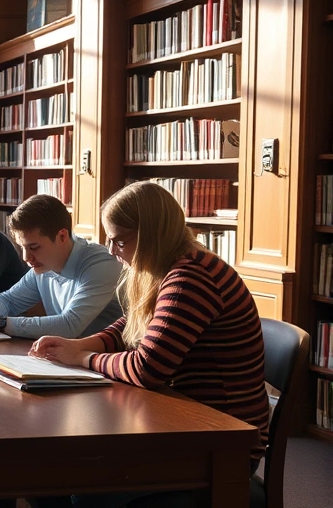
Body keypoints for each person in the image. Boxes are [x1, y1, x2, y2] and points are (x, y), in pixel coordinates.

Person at [29, 181, 269, 507]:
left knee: (87, 487)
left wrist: (82, 357)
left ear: (151, 234)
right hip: (180, 417)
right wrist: (88, 342)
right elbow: (132, 323)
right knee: (50, 473)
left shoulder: (191, 277)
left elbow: (147, 369)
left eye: (120, 241)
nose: (112, 251)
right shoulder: (168, 267)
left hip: (219, 439)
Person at [0, 194, 122, 339]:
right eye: (22, 248)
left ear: (62, 236)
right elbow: (8, 300)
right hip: (70, 360)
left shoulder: (101, 263)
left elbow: (70, 325)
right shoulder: (43, 266)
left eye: (34, 247)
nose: (26, 258)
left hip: (107, 366)